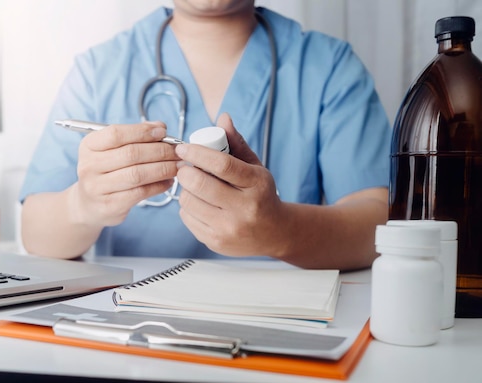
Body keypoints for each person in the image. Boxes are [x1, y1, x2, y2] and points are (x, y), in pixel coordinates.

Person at [19, 0, 392, 271]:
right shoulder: (98, 71)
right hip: (135, 332)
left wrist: (283, 231)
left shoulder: (330, 67)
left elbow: (378, 223)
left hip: (276, 329)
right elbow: (37, 234)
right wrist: (83, 205)